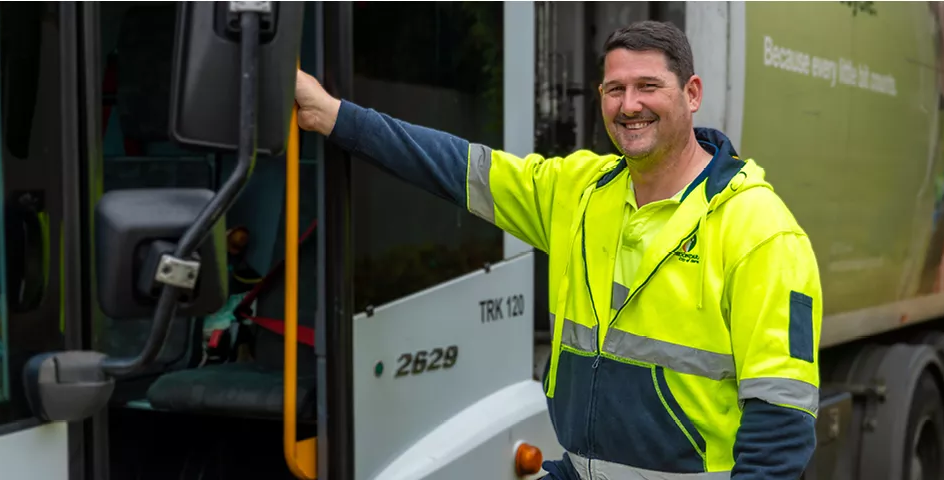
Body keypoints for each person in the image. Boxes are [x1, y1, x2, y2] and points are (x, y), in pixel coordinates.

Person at [294, 20, 821, 480]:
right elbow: (458, 168)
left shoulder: (760, 230)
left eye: (648, 86)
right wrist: (334, 116)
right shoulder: (580, 189)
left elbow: (782, 421)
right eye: (615, 89)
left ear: (692, 93)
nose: (629, 105)